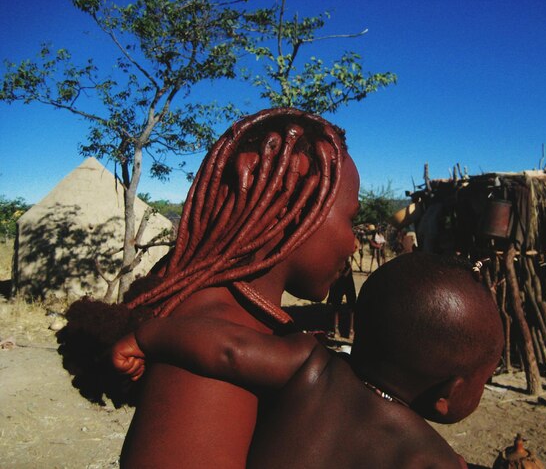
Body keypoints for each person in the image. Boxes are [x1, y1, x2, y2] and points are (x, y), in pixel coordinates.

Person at [58, 108, 360, 468]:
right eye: (352, 219)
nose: (355, 244)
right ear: (290, 210)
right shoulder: (211, 352)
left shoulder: (229, 330)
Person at [113, 252, 504, 468]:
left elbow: (228, 349)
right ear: (450, 390)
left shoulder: (309, 366)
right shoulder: (429, 460)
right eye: (482, 380)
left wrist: (147, 337)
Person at [326, 258, 357, 340]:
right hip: (339, 274)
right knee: (336, 304)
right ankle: (336, 329)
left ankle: (351, 330)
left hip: (347, 274)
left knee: (352, 304)